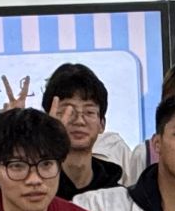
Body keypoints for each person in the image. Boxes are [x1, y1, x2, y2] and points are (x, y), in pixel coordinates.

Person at [44, 62, 124, 198]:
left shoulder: (118, 197)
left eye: (89, 112)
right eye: (68, 111)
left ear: (102, 124)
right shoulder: (37, 192)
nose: (79, 121)